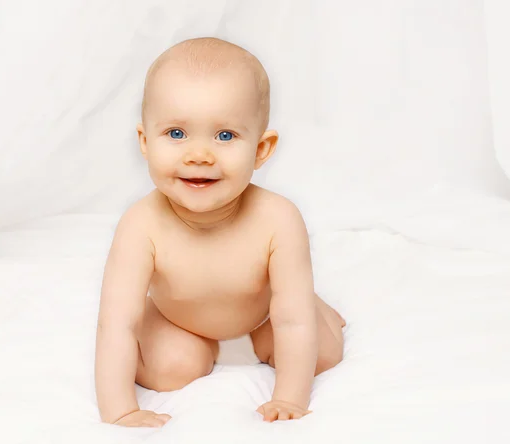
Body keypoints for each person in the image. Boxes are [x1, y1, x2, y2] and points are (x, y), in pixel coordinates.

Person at [94, 36, 346, 428]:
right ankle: (172, 330)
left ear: (262, 150)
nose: (199, 155)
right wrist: (120, 410)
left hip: (261, 313)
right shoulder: (140, 225)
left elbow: (293, 322)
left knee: (321, 352)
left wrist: (288, 399)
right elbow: (117, 323)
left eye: (225, 135)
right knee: (174, 369)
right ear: (145, 141)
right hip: (180, 318)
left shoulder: (278, 219)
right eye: (176, 133)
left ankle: (308, 299)